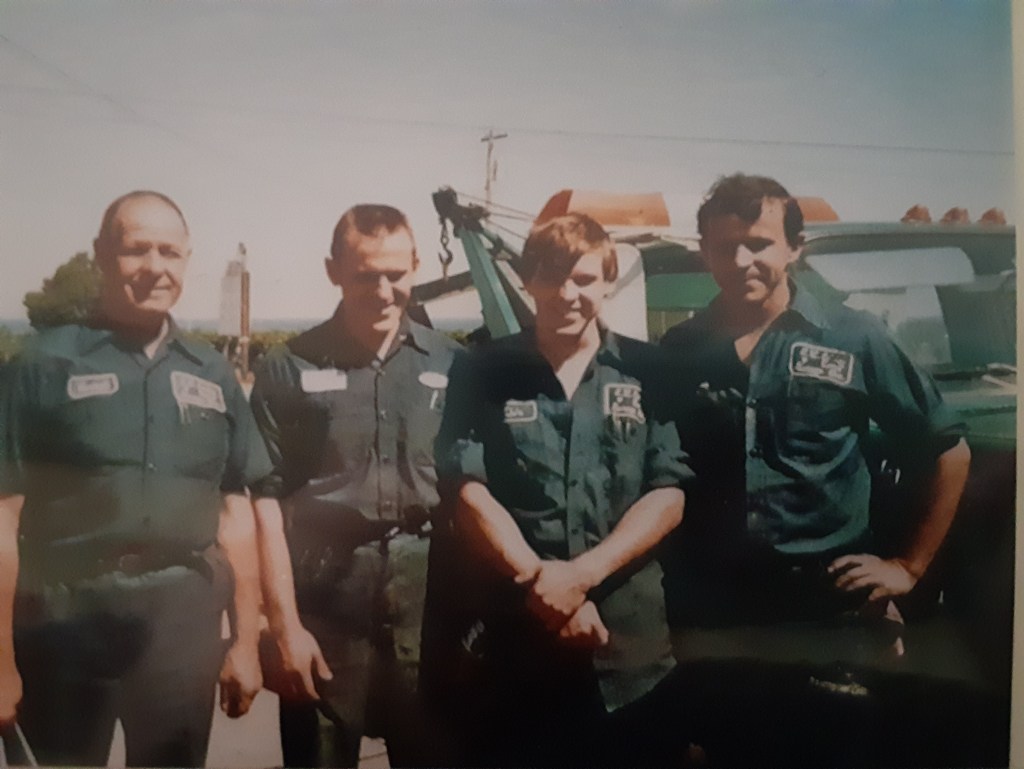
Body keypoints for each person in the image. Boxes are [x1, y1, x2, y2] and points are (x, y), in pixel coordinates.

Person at [659, 173, 972, 767]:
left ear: (794, 248)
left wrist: (908, 566)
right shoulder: (681, 349)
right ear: (704, 252)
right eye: (726, 247)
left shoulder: (854, 336)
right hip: (718, 612)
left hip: (829, 610)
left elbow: (946, 450)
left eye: (759, 243)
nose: (742, 261)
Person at [0, 191, 270, 767]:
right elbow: (3, 518)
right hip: (65, 623)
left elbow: (236, 515)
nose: (154, 267)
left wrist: (246, 643)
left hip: (181, 627)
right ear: (102, 255)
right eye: (136, 250)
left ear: (187, 259)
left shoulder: (213, 372)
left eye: (169, 252)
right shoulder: (42, 365)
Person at [433, 212, 692, 768]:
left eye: (584, 279)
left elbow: (668, 493)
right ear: (527, 280)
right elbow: (468, 492)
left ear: (608, 282)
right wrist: (545, 588)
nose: (567, 294)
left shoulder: (651, 370)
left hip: (630, 650)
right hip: (519, 645)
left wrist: (580, 578)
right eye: (551, 277)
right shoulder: (481, 370)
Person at [249, 204, 460, 768]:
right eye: (367, 275)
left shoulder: (453, 363)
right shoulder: (288, 367)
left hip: (428, 596)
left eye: (396, 273)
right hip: (326, 598)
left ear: (417, 266)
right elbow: (264, 505)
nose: (384, 291)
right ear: (333, 271)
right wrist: (283, 628)